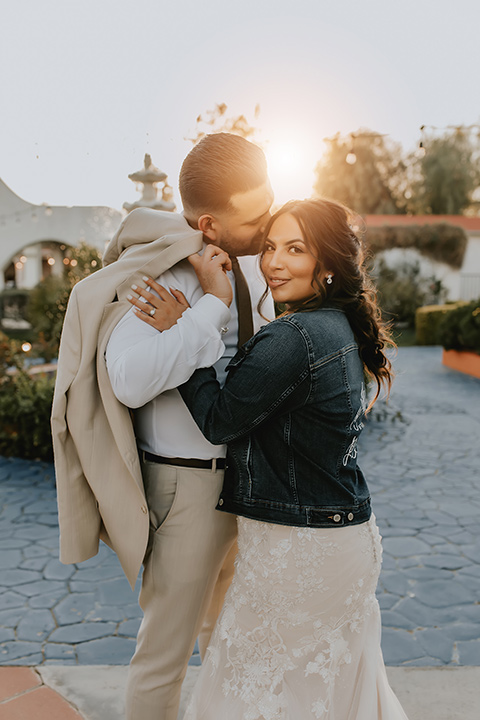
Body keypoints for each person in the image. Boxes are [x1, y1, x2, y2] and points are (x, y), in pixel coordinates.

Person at [132, 198, 409, 719]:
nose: (274, 263)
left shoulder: (294, 336)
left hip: (300, 554)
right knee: (321, 699)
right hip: (340, 539)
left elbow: (219, 420)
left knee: (251, 698)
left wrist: (182, 330)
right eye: (270, 247)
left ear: (326, 266)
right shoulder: (337, 327)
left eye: (295, 250)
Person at [104, 133, 274, 720]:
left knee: (229, 641)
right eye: (255, 216)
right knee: (165, 656)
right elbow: (126, 378)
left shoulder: (255, 264)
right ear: (210, 223)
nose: (268, 221)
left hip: (251, 480)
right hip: (187, 488)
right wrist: (207, 311)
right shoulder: (165, 274)